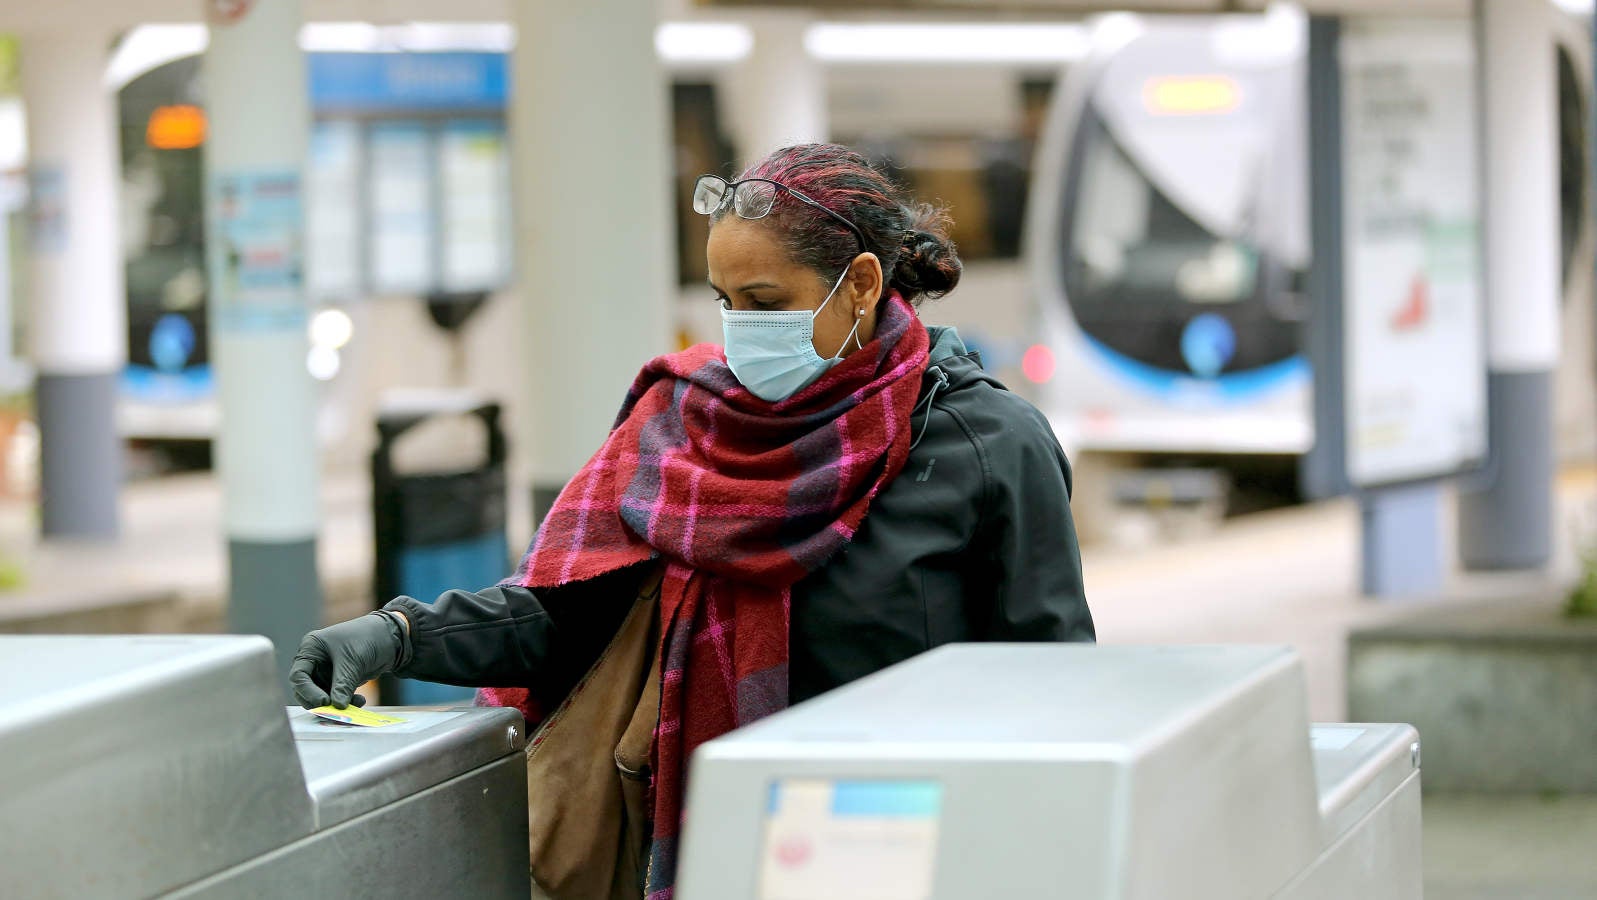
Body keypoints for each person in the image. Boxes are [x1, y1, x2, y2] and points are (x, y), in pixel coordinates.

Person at [289, 142, 1093, 897]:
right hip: (710, 848)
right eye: (724, 300)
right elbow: (574, 612)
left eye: (765, 301)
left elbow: (1051, 693)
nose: (740, 327)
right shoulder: (683, 424)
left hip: (908, 859)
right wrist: (399, 635)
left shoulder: (985, 445)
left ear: (859, 284)